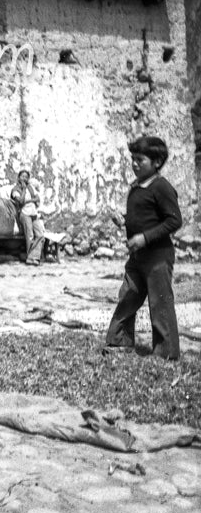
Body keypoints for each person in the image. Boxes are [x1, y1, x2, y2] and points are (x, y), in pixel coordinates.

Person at [104, 136, 182, 360]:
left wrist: (145, 238)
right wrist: (125, 221)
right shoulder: (137, 187)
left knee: (160, 303)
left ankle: (166, 353)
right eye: (133, 159)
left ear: (157, 162)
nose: (135, 164)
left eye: (141, 160)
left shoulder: (162, 187)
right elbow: (143, 218)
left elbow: (173, 221)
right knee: (127, 296)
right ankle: (119, 342)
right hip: (137, 256)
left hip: (157, 256)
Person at [10, 169, 45, 265]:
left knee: (40, 235)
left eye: (26, 177)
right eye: (22, 176)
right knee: (30, 235)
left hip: (33, 213)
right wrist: (24, 189)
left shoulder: (31, 187)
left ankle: (32, 257)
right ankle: (32, 259)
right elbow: (20, 201)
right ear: (18, 178)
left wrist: (28, 201)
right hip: (24, 214)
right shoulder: (15, 190)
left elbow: (37, 198)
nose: (24, 178)